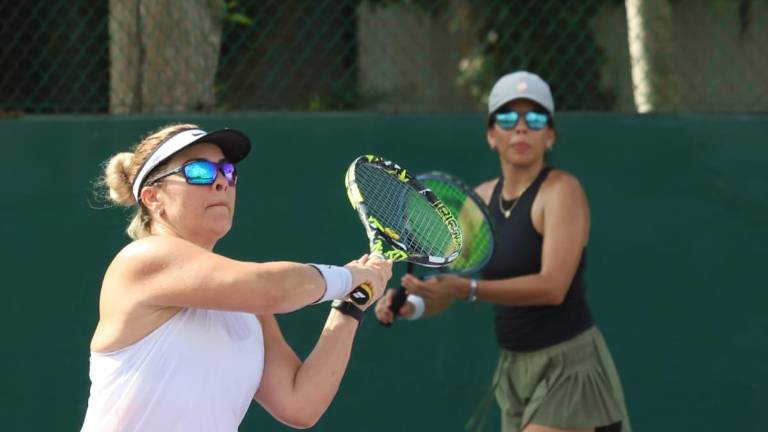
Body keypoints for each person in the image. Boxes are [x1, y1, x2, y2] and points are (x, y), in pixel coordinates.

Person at [81, 123, 392, 431]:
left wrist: (351, 304)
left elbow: (300, 403)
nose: (221, 182)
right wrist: (349, 276)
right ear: (153, 198)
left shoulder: (249, 307)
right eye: (198, 171)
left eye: (226, 171)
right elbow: (274, 290)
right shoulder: (143, 259)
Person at [375, 71, 631, 432]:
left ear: (550, 135)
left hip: (570, 368)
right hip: (514, 370)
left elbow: (552, 287)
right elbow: (450, 285)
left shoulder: (562, 191)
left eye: (535, 119)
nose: (521, 128)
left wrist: (468, 289)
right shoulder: (479, 200)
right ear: (492, 135)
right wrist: (412, 305)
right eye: (508, 118)